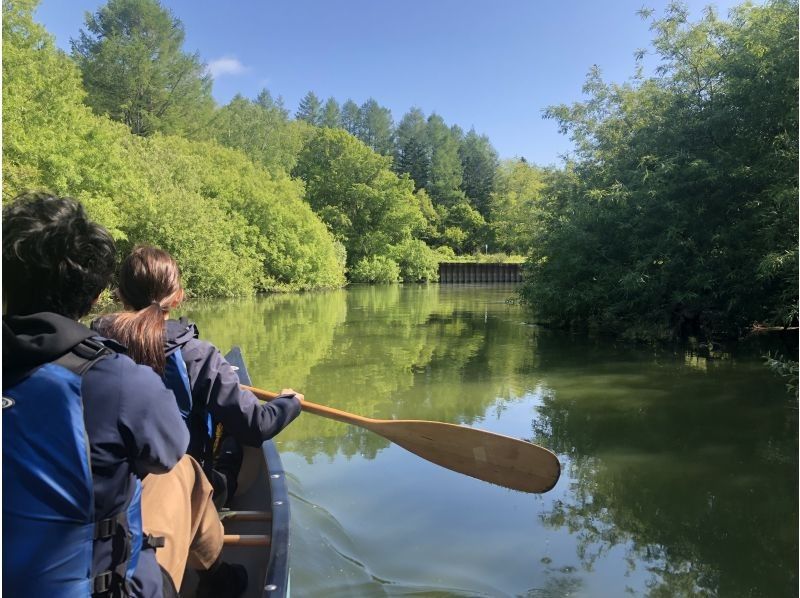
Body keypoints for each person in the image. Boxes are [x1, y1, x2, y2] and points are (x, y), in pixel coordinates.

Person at [2, 194, 237, 598]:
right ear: (95, 296)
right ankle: (222, 580)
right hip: (109, 590)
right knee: (182, 469)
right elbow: (166, 453)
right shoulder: (117, 379)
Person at [92, 245, 304, 508]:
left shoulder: (91, 348)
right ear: (178, 296)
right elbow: (257, 426)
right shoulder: (197, 355)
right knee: (232, 438)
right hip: (181, 498)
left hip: (108, 491)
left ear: (119, 295)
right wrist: (290, 402)